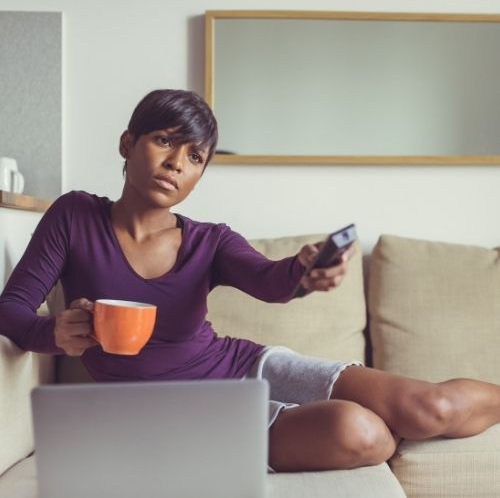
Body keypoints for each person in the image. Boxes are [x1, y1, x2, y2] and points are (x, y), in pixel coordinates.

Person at [1, 89, 499, 473]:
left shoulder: (209, 241)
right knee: (362, 433)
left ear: (200, 175)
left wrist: (305, 270)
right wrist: (55, 333)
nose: (177, 162)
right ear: (128, 144)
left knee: (431, 407)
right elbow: (12, 310)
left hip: (246, 366)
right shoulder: (74, 216)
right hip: (184, 416)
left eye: (195, 157)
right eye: (165, 140)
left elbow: (272, 280)